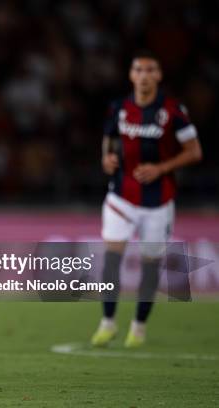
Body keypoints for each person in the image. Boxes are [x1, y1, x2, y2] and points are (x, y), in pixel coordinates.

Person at [90, 51, 202, 348]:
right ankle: (108, 322)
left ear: (158, 76)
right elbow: (110, 138)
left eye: (150, 70)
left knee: (150, 265)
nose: (143, 75)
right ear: (131, 75)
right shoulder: (119, 108)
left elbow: (194, 151)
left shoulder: (173, 111)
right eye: (138, 69)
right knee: (111, 260)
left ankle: (138, 327)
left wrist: (161, 168)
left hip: (158, 202)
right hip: (121, 197)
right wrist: (107, 159)